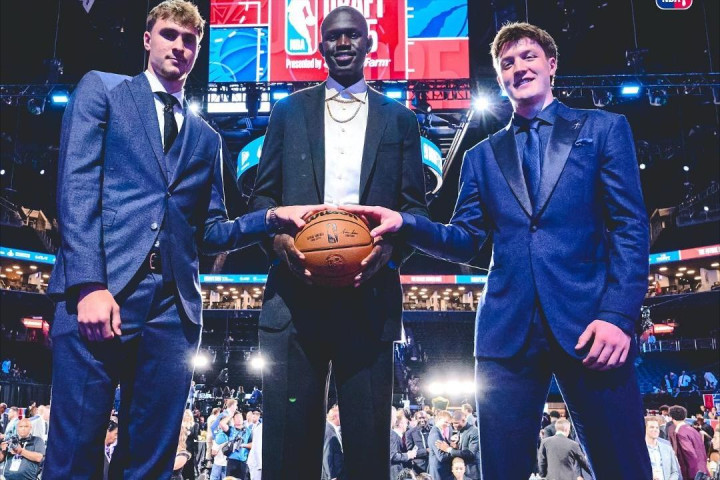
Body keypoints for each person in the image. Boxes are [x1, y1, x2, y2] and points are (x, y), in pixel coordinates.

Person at [343, 21, 652, 479]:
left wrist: (618, 315)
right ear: (500, 77)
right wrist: (407, 224)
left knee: (623, 466)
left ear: (551, 64)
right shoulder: (481, 156)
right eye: (506, 63)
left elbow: (630, 226)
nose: (518, 68)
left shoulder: (604, 128)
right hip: (506, 336)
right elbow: (465, 239)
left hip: (593, 327)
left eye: (528, 57)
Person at [43, 1, 322, 478]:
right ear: (147, 39)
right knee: (73, 458)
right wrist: (88, 284)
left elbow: (210, 233)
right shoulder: (103, 90)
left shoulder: (207, 138)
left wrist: (272, 217)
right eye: (169, 34)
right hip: (101, 295)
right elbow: (76, 187)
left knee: (150, 464)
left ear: (198, 51)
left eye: (189, 40)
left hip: (172, 313)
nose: (179, 46)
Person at [248, 6, 427, 480]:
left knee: (368, 456)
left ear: (369, 44)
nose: (343, 43)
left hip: (369, 300)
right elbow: (263, 197)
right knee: (287, 455)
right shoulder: (288, 113)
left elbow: (416, 211)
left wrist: (389, 250)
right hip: (295, 299)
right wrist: (280, 241)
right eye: (333, 36)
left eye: (352, 35)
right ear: (320, 46)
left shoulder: (400, 120)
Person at [667, 405, 710, 480]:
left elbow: (690, 455)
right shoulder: (693, 430)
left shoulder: (681, 433)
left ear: (671, 418)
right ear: (684, 417)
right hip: (702, 470)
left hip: (693, 474)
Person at [645, 416, 680, 480]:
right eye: (651, 427)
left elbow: (675, 472)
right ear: (645, 429)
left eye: (657, 427)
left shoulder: (667, 448)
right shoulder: (639, 450)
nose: (655, 430)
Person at [390, 410, 418, 479]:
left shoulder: (396, 436)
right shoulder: (394, 436)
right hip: (395, 473)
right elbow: (393, 456)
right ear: (400, 423)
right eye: (406, 423)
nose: (407, 425)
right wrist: (408, 455)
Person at [322, 405, 346, 480]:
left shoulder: (329, 428)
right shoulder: (329, 432)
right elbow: (327, 456)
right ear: (335, 416)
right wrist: (332, 477)